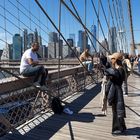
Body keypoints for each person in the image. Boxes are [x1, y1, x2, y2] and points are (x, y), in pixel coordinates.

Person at [105, 52, 126, 135]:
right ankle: (122, 127)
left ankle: (117, 128)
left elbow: (115, 75)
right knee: (117, 110)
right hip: (116, 90)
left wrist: (108, 70)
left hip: (117, 92)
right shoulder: (119, 69)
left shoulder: (119, 70)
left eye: (112, 59)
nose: (111, 60)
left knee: (116, 111)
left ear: (115, 60)